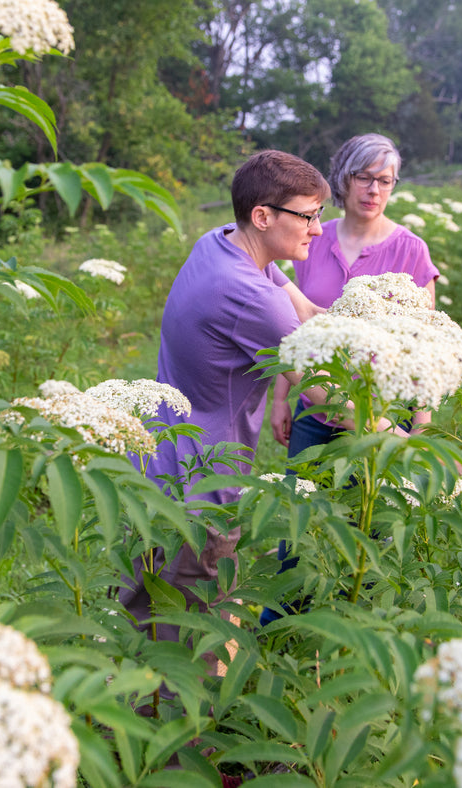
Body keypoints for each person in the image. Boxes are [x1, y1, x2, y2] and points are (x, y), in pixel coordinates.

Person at [119, 149, 327, 645]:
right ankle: (181, 721)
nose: (318, 230)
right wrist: (427, 448)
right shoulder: (253, 298)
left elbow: (309, 312)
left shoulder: (219, 244)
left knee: (137, 624)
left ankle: (117, 717)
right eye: (309, 216)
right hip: (200, 491)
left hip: (149, 461)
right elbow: (328, 397)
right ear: (263, 216)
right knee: (196, 643)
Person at [270, 133, 439, 455]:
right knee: (303, 498)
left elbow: (425, 345)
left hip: (384, 413)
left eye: (385, 181)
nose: (374, 190)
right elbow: (295, 327)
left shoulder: (412, 250)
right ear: (342, 179)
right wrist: (280, 400)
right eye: (364, 177)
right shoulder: (313, 237)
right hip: (315, 410)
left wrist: (421, 423)